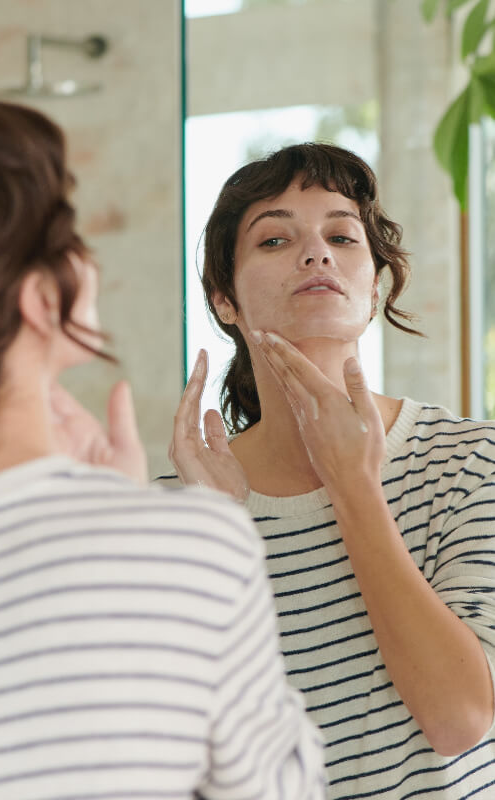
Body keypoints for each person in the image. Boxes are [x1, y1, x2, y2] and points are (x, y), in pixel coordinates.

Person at [0, 98, 326, 800]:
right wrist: (141, 520)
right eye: (67, 235)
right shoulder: (193, 545)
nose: (316, 255)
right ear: (40, 299)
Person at [165, 143, 495, 799]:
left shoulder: (470, 462)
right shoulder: (187, 508)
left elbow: (460, 719)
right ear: (224, 299)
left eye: (341, 236)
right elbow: (174, 761)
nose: (316, 253)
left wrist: (353, 484)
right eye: (275, 239)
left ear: (373, 289)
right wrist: (217, 542)